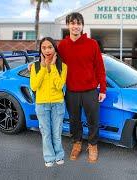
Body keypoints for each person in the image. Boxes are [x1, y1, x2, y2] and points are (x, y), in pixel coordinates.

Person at [57, 12, 106, 163]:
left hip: (90, 90)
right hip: (71, 91)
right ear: (68, 25)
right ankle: (77, 144)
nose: (75, 26)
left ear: (82, 26)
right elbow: (55, 65)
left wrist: (103, 89)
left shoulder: (92, 44)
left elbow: (100, 68)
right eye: (72, 23)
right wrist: (37, 64)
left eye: (78, 23)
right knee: (74, 120)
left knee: (93, 120)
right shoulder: (63, 46)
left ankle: (92, 145)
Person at [30, 37, 67, 167]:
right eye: (44, 47)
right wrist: (44, 67)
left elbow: (59, 85)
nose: (47, 50)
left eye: (50, 47)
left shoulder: (62, 66)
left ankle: (59, 155)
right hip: (41, 104)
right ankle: (49, 158)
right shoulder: (35, 66)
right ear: (40, 50)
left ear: (55, 49)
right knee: (46, 133)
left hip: (58, 104)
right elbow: (34, 86)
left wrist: (52, 66)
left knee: (57, 132)